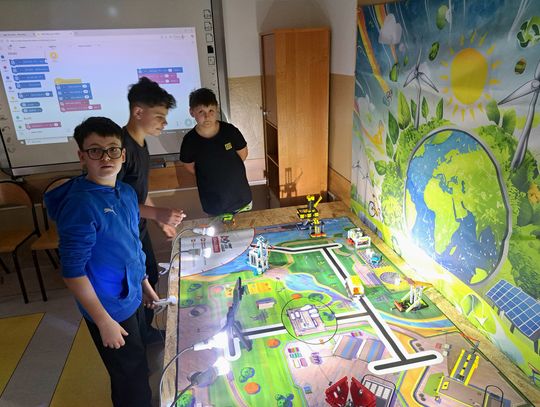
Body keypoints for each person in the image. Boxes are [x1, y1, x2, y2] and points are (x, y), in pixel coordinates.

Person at [46, 117, 158, 407]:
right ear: (82, 156)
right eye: (95, 150)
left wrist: (144, 284)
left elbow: (132, 246)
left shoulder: (126, 192)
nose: (106, 157)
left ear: (124, 154)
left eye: (113, 149)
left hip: (131, 294)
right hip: (108, 308)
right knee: (128, 377)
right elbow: (72, 272)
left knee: (138, 361)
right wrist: (104, 321)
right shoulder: (80, 205)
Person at [119, 77, 185, 342]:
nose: (163, 123)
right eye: (159, 116)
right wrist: (157, 214)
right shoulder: (121, 149)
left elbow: (139, 192)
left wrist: (159, 220)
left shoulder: (142, 144)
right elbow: (113, 203)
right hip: (123, 234)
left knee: (150, 274)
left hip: (139, 227)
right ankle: (136, 338)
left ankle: (146, 332)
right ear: (138, 112)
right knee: (136, 284)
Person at [180, 87, 252, 216]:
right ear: (192, 112)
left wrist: (226, 169)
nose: (207, 116)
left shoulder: (230, 131)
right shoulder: (189, 140)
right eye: (201, 111)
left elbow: (243, 154)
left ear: (217, 109)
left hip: (241, 199)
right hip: (213, 203)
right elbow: (189, 166)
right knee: (218, 229)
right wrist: (210, 173)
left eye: (211, 110)